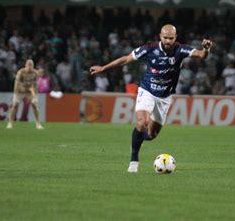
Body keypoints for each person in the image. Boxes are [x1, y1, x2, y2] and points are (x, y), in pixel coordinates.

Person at [90, 24, 212, 173]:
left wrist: (206, 48)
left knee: (152, 134)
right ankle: (134, 160)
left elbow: (201, 55)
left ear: (176, 38)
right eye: (165, 38)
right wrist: (103, 68)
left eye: (171, 38)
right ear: (160, 36)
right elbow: (126, 59)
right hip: (147, 91)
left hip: (165, 97)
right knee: (142, 123)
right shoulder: (149, 48)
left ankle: (138, 139)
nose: (168, 41)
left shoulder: (180, 50)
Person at [7, 59, 44, 130]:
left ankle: (38, 124)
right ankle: (10, 123)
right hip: (20, 91)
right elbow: (17, 84)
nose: (29, 67)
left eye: (31, 65)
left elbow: (35, 85)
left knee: (34, 105)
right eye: (28, 65)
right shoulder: (21, 72)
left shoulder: (35, 73)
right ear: (25, 65)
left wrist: (35, 96)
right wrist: (23, 89)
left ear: (33, 66)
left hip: (29, 91)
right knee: (14, 105)